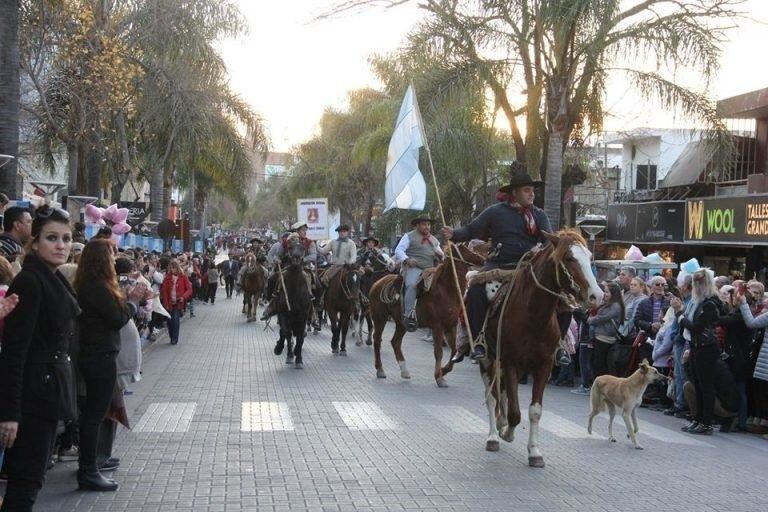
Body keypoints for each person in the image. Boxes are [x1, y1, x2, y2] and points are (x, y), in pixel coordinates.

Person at [0, 206, 76, 510]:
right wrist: (10, 413)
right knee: (25, 483)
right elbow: (15, 352)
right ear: (35, 242)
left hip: (47, 391)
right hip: (32, 395)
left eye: (66, 238)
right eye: (52, 238)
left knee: (32, 480)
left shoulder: (52, 278)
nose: (61, 245)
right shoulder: (31, 281)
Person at [442, 170, 553, 360]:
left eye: (532, 190)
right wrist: (454, 234)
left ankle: (558, 345)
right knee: (476, 291)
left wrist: (541, 250)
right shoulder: (495, 212)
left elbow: (550, 241)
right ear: (515, 192)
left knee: (563, 299)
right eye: (527, 190)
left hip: (528, 269)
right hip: (499, 265)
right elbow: (471, 229)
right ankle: (477, 342)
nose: (531, 194)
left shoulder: (539, 215)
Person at [74, 238, 150, 491]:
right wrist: (133, 301)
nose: (115, 258)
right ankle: (89, 468)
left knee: (97, 412)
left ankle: (94, 463)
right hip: (99, 356)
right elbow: (117, 318)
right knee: (95, 415)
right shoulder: (96, 287)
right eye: (112, 254)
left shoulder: (91, 285)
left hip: (99, 354)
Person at [672, 269, 723, 435]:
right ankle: (698, 419)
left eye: (698, 283)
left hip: (706, 348)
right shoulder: (698, 301)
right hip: (696, 346)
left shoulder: (710, 303)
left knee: (705, 386)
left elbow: (697, 327)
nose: (696, 286)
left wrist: (679, 313)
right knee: (698, 385)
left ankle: (706, 422)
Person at [394, 216, 444, 332]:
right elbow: (398, 250)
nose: (427, 227)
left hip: (430, 269)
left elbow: (440, 252)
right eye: (424, 224)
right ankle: (408, 315)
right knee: (412, 285)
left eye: (429, 224)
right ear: (417, 225)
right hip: (414, 268)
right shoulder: (409, 236)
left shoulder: (434, 240)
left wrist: (444, 257)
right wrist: (407, 260)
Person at [587, 282, 625, 377]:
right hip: (600, 337)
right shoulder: (607, 304)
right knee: (598, 364)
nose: (604, 294)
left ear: (614, 294)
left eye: (607, 292)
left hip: (605, 339)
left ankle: (600, 387)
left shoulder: (615, 306)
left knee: (599, 366)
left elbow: (600, 318)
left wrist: (587, 319)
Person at [160, 260, 193, 345]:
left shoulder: (183, 277)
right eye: (170, 268)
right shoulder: (167, 278)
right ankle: (171, 336)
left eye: (173, 268)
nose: (172, 270)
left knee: (175, 320)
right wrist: (166, 303)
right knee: (169, 321)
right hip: (169, 302)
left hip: (178, 302)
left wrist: (183, 297)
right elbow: (164, 292)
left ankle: (174, 338)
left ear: (177, 268)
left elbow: (189, 289)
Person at [635, 275, 672, 340]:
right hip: (648, 338)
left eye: (663, 285)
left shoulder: (670, 302)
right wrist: (650, 326)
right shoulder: (644, 302)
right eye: (657, 284)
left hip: (666, 337)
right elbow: (637, 320)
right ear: (652, 287)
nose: (660, 286)